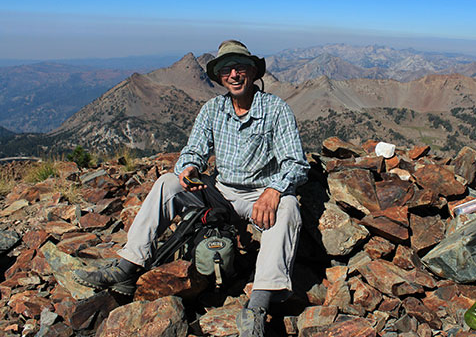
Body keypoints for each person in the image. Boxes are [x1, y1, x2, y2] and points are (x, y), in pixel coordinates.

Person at [74, 40, 310, 337]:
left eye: (240, 68)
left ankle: (258, 305)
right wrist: (187, 167)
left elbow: (296, 164)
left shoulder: (276, 109)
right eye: (226, 69)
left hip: (259, 195)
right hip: (220, 190)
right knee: (167, 184)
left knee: (288, 207)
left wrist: (274, 191)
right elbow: (193, 151)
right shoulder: (213, 109)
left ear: (252, 72)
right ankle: (127, 266)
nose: (234, 74)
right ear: (220, 76)